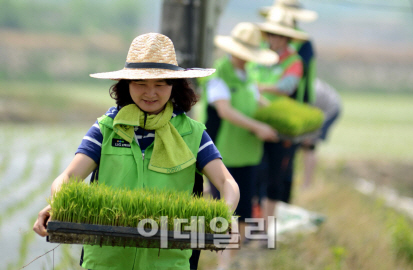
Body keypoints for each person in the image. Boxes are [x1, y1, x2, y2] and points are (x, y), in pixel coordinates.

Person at [33, 33, 240, 270]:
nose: (150, 93)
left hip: (168, 263)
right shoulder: (106, 128)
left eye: (160, 84)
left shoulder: (192, 134)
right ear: (126, 84)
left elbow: (226, 181)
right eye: (140, 83)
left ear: (174, 86)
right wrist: (59, 203)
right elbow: (69, 178)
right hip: (105, 262)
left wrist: (225, 213)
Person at [201, 22, 278, 269]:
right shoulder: (218, 75)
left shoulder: (249, 75)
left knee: (245, 211)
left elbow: (258, 100)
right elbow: (225, 110)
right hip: (222, 157)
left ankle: (231, 259)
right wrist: (258, 127)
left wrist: (282, 117)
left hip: (248, 154)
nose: (245, 59)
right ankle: (223, 263)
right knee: (225, 211)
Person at [246, 8, 309, 231]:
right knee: (253, 173)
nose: (274, 39)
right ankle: (252, 225)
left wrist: (257, 89)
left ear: (287, 37)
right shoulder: (258, 56)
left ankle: (266, 229)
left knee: (273, 177)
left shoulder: (294, 60)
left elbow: (287, 86)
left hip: (278, 126)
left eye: (279, 35)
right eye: (271, 34)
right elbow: (246, 76)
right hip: (253, 124)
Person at [301, 78, 341, 189]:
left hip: (329, 111)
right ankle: (307, 183)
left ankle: (307, 184)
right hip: (320, 109)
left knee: (309, 145)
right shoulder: (305, 85)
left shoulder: (310, 92)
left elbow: (310, 113)